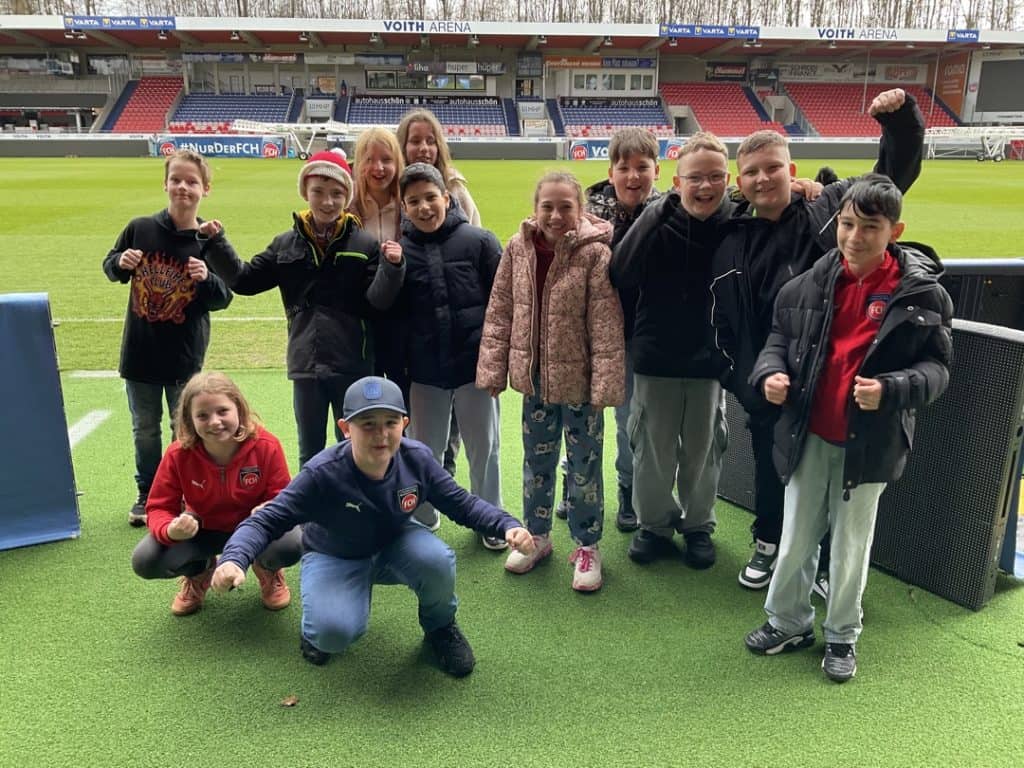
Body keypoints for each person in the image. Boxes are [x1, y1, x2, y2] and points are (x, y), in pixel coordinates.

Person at [711, 88, 925, 593]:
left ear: (792, 169)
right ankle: (767, 544)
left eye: (774, 167)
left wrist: (900, 124)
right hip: (767, 378)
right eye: (753, 171)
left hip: (831, 379)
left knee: (834, 479)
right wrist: (746, 376)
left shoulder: (828, 208)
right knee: (770, 465)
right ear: (739, 182)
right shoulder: (730, 231)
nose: (764, 178)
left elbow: (890, 178)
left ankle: (827, 565)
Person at [743, 175, 952, 682]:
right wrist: (770, 373)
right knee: (795, 536)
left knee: (851, 545)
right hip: (808, 432)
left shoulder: (922, 296)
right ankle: (788, 621)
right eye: (848, 224)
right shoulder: (808, 283)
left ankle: (841, 635)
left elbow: (938, 371)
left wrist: (892, 388)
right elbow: (778, 340)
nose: (855, 237)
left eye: (870, 228)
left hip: (870, 444)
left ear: (895, 230)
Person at [209, 376, 536, 677]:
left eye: (390, 423)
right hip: (334, 555)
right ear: (345, 428)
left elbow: (461, 503)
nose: (381, 434)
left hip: (394, 544)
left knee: (436, 561)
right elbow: (266, 520)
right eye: (367, 424)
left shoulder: (417, 459)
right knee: (332, 633)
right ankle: (317, 629)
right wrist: (233, 559)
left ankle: (440, 627)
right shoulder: (322, 473)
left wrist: (506, 525)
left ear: (404, 424)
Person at [201, 149, 405, 467]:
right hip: (305, 364)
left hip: (352, 363)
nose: (327, 201)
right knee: (310, 449)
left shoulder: (364, 245)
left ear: (347, 196)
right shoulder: (285, 244)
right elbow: (243, 280)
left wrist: (392, 267)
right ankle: (312, 514)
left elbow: (378, 301)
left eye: (337, 193)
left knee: (355, 445)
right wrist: (217, 244)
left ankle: (355, 509)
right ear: (305, 192)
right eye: (318, 192)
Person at [477, 171, 625, 592]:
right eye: (548, 206)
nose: (556, 215)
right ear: (535, 207)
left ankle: (587, 545)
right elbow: (500, 309)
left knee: (584, 468)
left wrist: (603, 387)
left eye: (565, 206)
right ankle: (537, 537)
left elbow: (605, 324)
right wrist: (492, 368)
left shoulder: (595, 254)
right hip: (535, 382)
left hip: (579, 386)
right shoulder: (518, 248)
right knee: (536, 464)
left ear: (579, 209)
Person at [610, 132, 736, 569]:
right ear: (677, 180)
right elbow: (621, 272)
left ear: (727, 178)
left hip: (709, 359)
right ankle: (655, 526)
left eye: (715, 177)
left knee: (703, 449)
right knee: (652, 449)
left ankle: (698, 525)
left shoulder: (735, 219)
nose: (705, 187)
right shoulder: (654, 220)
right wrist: (657, 209)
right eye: (695, 178)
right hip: (656, 356)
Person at [102, 148, 233, 527]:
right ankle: (148, 493)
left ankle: (189, 494)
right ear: (165, 183)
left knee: (187, 432)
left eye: (192, 181)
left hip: (185, 358)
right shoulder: (140, 228)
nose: (182, 187)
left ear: (205, 189)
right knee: (144, 428)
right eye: (176, 179)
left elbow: (225, 297)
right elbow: (110, 265)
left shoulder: (209, 239)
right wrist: (118, 263)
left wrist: (206, 277)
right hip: (140, 353)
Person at [395, 163, 506, 550]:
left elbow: (503, 302)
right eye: (414, 201)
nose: (424, 207)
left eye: (431, 197)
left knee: (484, 448)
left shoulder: (479, 241)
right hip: (424, 371)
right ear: (403, 207)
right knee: (423, 449)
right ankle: (423, 513)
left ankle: (489, 517)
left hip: (475, 368)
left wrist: (498, 359)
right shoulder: (398, 252)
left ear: (447, 197)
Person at [131, 371, 302, 616]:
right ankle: (198, 570)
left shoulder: (266, 445)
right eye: (202, 415)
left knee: (290, 543)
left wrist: (269, 509)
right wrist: (171, 529)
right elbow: (158, 507)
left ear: (239, 409)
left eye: (223, 411)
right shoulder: (178, 454)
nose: (214, 422)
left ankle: (267, 568)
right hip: (202, 532)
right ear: (189, 420)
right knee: (145, 560)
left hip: (255, 531)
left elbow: (284, 498)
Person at [582, 126, 662, 532]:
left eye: (642, 167)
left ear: (657, 170)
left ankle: (628, 490)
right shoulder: (586, 214)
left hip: (642, 337)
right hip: (593, 337)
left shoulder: (670, 208)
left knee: (632, 423)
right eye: (624, 167)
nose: (633, 176)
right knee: (584, 419)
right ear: (611, 171)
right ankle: (575, 484)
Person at [396, 108, 483, 478]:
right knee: (421, 429)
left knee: (470, 428)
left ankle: (449, 470)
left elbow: (475, 250)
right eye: (415, 140)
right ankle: (425, 489)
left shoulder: (457, 190)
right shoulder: (389, 188)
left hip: (463, 335)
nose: (423, 147)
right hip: (418, 337)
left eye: (430, 140)